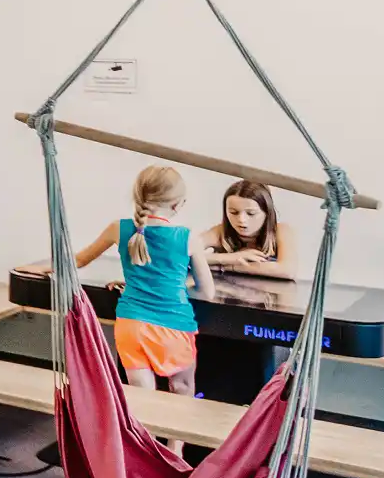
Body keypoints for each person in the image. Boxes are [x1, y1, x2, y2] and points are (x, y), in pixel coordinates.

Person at [70, 164, 213, 393]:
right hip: (174, 326)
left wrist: (38, 268)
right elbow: (207, 292)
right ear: (178, 205)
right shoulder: (187, 238)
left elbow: (78, 260)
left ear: (138, 196)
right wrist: (174, 288)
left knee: (141, 396)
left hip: (131, 325)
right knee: (182, 388)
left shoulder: (118, 228)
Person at [203, 179, 296, 278]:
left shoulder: (280, 230)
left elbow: (287, 270)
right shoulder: (221, 232)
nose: (241, 220)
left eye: (251, 213)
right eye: (233, 212)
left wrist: (225, 266)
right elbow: (190, 251)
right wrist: (230, 258)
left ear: (267, 213)